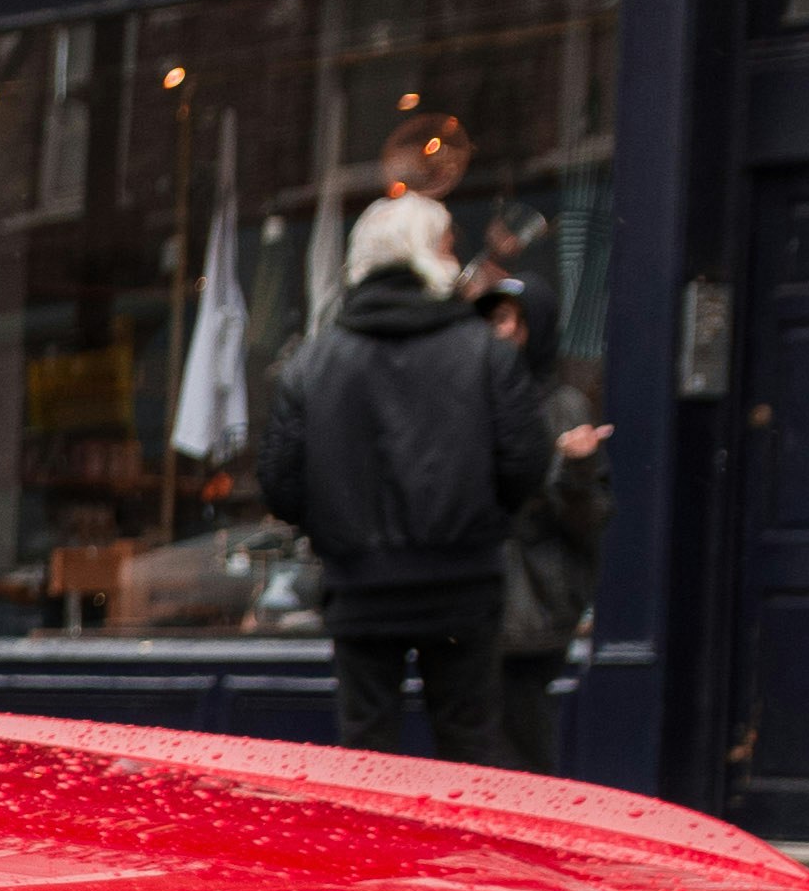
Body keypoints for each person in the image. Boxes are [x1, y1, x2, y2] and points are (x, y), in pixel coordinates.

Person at [260, 189, 542, 760]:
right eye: (446, 243)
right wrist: (479, 520)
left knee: (368, 757)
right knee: (469, 755)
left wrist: (336, 528)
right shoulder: (486, 354)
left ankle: (371, 855)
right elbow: (526, 466)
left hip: (360, 589)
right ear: (425, 255)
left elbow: (281, 485)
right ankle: (463, 855)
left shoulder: (313, 362)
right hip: (462, 587)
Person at [479, 284, 617, 771]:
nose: (505, 332)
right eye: (495, 319)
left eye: (515, 320)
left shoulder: (563, 404)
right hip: (470, 608)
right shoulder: (473, 399)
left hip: (532, 608)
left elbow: (589, 519)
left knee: (524, 752)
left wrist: (576, 469)